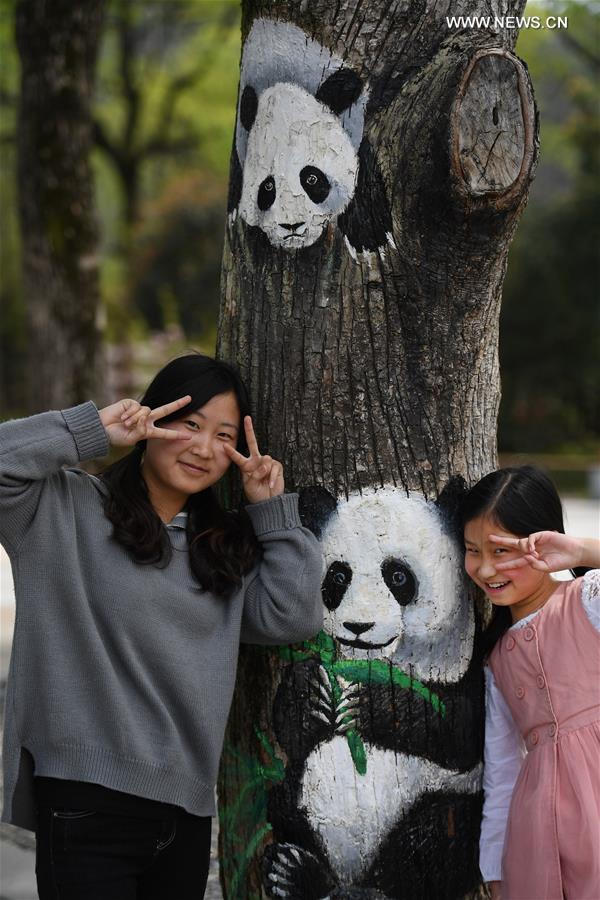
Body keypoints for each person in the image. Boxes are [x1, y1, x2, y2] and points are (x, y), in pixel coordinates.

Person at [0, 352, 324, 900]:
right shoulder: (65, 510)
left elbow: (292, 616)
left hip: (186, 814)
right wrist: (91, 430)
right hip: (85, 800)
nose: (203, 448)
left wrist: (271, 511)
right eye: (188, 424)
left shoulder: (222, 551)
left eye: (224, 436)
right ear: (150, 420)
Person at [462, 465, 600, 900]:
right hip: (536, 833)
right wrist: (494, 865)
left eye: (501, 552)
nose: (485, 569)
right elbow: (502, 770)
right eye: (472, 551)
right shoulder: (496, 658)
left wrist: (579, 552)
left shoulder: (588, 601)